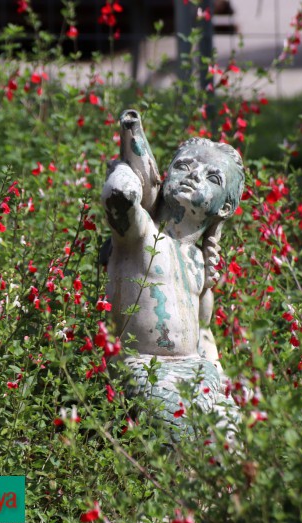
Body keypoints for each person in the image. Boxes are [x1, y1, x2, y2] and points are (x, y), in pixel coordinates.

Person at [102, 111, 245, 430]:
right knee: (177, 428)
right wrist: (127, 176)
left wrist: (221, 382)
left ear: (224, 207)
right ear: (164, 177)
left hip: (196, 371)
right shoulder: (141, 236)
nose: (194, 175)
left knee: (230, 434)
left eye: (212, 177)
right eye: (184, 166)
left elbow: (204, 333)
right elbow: (118, 200)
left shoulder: (200, 263)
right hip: (145, 367)